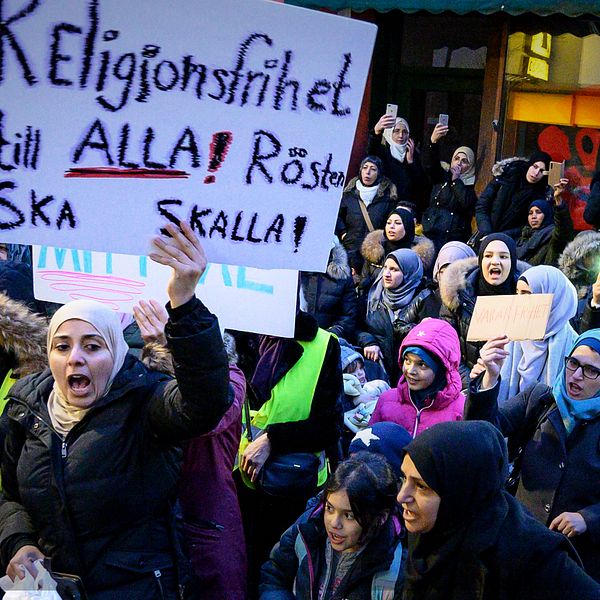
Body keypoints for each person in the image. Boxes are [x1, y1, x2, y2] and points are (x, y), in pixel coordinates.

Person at [0, 222, 231, 599]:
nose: (75, 358)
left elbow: (206, 402)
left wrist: (184, 302)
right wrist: (18, 542)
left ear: (117, 353)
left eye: (92, 346)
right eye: (62, 346)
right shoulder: (26, 408)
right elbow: (8, 494)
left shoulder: (145, 402)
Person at [398, 420, 600, 599]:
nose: (402, 497)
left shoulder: (529, 555)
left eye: (421, 486)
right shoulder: (431, 530)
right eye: (404, 479)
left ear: (460, 490)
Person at [133, 300, 247, 600]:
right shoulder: (143, 373)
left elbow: (206, 415)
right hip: (157, 517)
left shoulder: (232, 378)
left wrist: (173, 351)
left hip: (208, 518)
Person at [466, 328, 600, 582]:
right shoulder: (539, 398)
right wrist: (489, 380)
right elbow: (481, 434)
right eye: (573, 363)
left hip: (576, 561)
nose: (577, 375)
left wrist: (588, 518)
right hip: (520, 543)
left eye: (591, 370)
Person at [236, 310, 343, 596]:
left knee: (281, 574)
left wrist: (273, 438)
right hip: (236, 484)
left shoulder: (323, 345)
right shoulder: (232, 334)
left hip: (291, 486)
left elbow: (329, 425)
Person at [259, 453, 404, 600]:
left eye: (349, 515)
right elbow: (274, 577)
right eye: (329, 508)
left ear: (380, 518)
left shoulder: (394, 570)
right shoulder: (306, 531)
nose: (334, 523)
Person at [439, 233, 528, 378]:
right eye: (488, 256)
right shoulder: (458, 295)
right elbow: (447, 350)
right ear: (480, 260)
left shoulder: (528, 295)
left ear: (512, 262)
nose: (495, 262)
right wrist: (472, 383)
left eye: (503, 257)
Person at [486, 266, 578, 404]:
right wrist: (487, 377)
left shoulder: (576, 347)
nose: (519, 301)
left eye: (527, 294)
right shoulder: (508, 338)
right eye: (517, 293)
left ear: (553, 298)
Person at [369, 318, 464, 437]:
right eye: (407, 360)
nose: (411, 371)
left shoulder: (460, 409)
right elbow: (368, 445)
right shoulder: (387, 400)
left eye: (422, 365)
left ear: (441, 369)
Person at [357, 249, 432, 385]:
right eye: (385, 268)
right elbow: (357, 326)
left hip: (409, 375)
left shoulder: (424, 298)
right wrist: (368, 342)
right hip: (377, 372)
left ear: (408, 272)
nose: (386, 274)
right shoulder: (373, 294)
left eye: (394, 269)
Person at [335, 156, 398, 274]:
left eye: (373, 169)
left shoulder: (388, 197)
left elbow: (390, 221)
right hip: (350, 249)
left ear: (379, 173)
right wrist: (343, 233)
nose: (368, 172)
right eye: (365, 168)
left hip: (374, 253)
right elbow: (337, 216)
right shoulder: (349, 194)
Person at [421, 123, 478, 251]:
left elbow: (467, 204)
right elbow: (430, 164)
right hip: (431, 235)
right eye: (457, 158)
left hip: (454, 241)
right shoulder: (441, 176)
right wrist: (433, 141)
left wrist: (456, 181)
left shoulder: (471, 185)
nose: (459, 162)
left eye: (464, 161)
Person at [475, 150, 551, 242]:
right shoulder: (505, 176)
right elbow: (482, 205)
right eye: (535, 167)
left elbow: (526, 226)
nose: (536, 173)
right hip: (484, 236)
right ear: (530, 164)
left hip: (509, 242)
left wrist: (500, 237)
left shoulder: (540, 196)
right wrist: (486, 231)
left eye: (541, 171)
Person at [360, 207, 436, 288]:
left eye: (398, 223)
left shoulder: (419, 258)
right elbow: (364, 279)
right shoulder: (375, 250)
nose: (391, 226)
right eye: (388, 223)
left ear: (408, 226)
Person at [299, 239, 358, 343]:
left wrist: (328, 336)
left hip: (327, 344)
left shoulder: (342, 277)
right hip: (292, 343)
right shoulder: (293, 272)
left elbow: (348, 317)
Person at [368, 112, 428, 214]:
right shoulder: (383, 152)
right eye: (396, 131)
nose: (401, 135)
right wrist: (376, 131)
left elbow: (421, 186)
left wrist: (411, 162)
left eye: (405, 132)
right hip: (384, 207)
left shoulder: (413, 155)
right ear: (389, 133)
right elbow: (372, 152)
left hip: (405, 209)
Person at [515, 180, 574, 266]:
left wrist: (558, 201)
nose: (533, 216)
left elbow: (563, 229)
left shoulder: (551, 236)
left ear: (547, 215)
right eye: (530, 213)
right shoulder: (524, 237)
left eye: (538, 212)